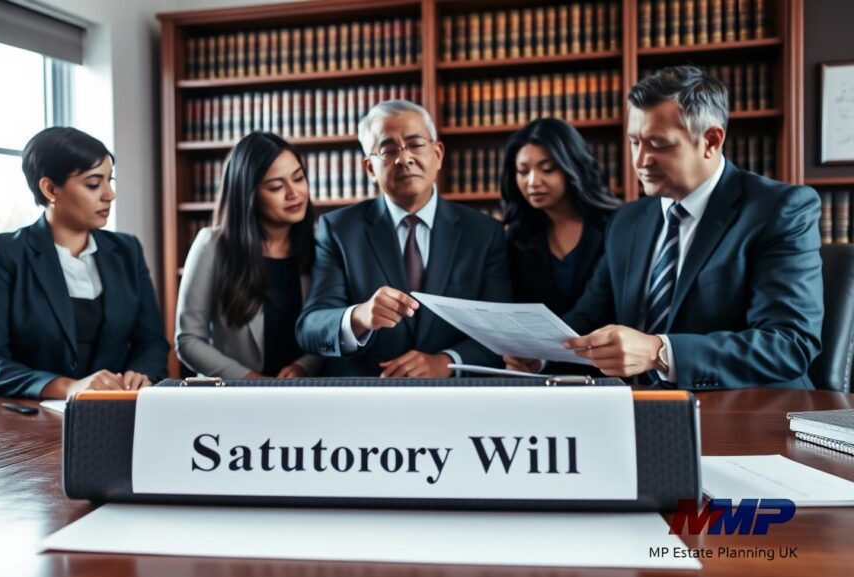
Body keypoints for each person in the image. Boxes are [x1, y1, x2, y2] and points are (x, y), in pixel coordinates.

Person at [536, 66, 822, 389]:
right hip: (643, 411)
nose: (640, 160)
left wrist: (660, 351)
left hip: (749, 416)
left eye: (658, 144)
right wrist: (539, 352)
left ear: (711, 141)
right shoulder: (626, 221)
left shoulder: (779, 209)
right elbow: (589, 317)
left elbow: (789, 343)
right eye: (634, 142)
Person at [295, 100, 512, 377]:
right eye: (388, 149)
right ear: (370, 169)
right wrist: (360, 316)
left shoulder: (485, 233)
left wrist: (445, 362)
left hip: (455, 398)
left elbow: (500, 331)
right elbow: (310, 327)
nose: (404, 158)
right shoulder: (338, 229)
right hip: (364, 396)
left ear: (438, 154)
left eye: (415, 144)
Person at [0, 127, 170, 398]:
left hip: (109, 413)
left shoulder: (127, 251)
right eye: (94, 184)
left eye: (110, 180)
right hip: (20, 417)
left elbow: (152, 343)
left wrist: (141, 374)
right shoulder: (2, 254)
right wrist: (69, 387)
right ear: (50, 188)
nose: (109, 195)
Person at [176, 131, 321, 379]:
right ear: (248, 194)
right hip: (232, 398)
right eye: (276, 186)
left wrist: (304, 366)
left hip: (305, 394)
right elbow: (188, 340)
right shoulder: (212, 246)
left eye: (298, 178)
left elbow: (333, 329)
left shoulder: (321, 245)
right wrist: (249, 379)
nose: (294, 193)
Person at [501, 118, 622, 315]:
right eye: (523, 171)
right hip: (537, 346)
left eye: (547, 169)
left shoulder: (614, 225)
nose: (532, 182)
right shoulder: (517, 237)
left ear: (572, 167)